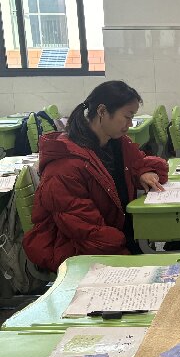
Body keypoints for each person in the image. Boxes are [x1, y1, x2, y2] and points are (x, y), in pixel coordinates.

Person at [23, 80, 168, 272]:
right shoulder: (65, 166)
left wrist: (144, 171)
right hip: (78, 250)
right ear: (102, 111)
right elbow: (87, 232)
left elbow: (148, 163)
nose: (130, 124)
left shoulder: (116, 143)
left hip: (114, 235)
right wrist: (129, 258)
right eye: (127, 117)